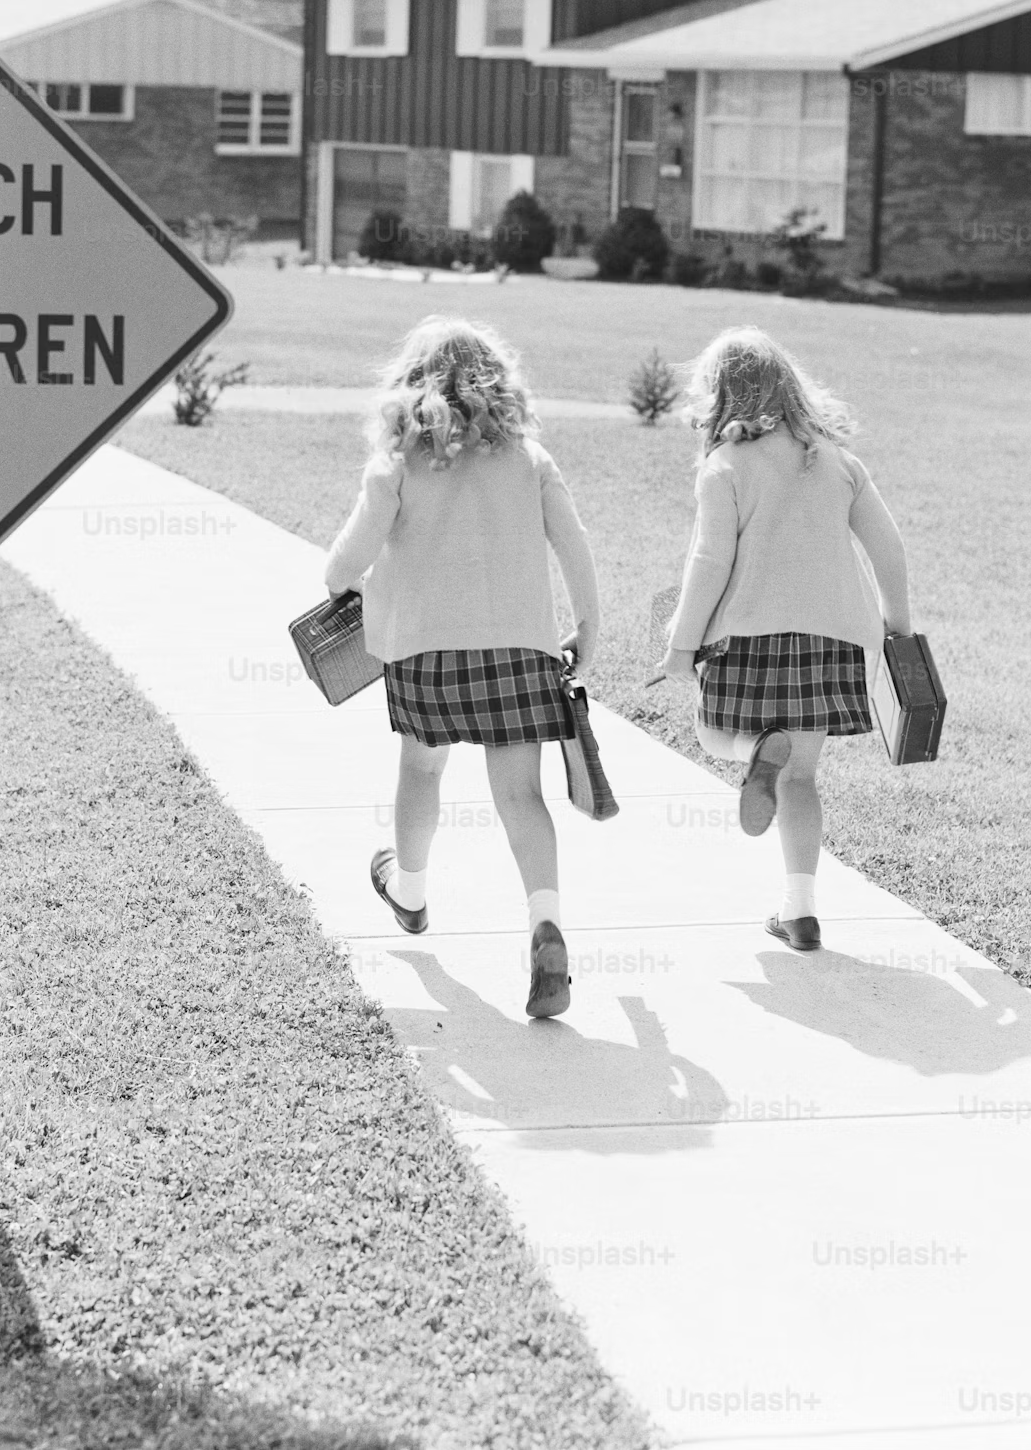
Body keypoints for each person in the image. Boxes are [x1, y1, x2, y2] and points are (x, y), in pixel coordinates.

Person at [325, 317, 600, 1019]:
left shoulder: (395, 463)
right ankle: (547, 926)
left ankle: (409, 891)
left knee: (421, 769)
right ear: (497, 385)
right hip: (518, 651)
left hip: (425, 655)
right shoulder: (529, 458)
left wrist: (356, 590)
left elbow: (341, 567)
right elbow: (574, 546)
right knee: (521, 797)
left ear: (412, 385)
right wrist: (589, 624)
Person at [655, 326, 912, 954]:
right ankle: (800, 912)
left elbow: (708, 563)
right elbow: (889, 549)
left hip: (749, 641)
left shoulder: (724, 468)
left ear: (718, 398)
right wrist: (898, 627)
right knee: (802, 778)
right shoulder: (840, 463)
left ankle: (754, 753)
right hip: (833, 644)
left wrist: (682, 648)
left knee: (714, 735)